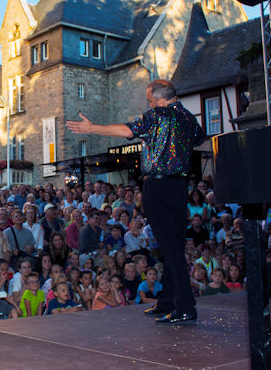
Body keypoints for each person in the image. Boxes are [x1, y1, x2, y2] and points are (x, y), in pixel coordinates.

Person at [67, 79, 203, 324]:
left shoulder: (157, 115)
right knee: (174, 246)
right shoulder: (188, 117)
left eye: (150, 100)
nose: (148, 104)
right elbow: (198, 139)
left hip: (158, 186)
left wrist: (92, 128)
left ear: (161, 100)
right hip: (180, 186)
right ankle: (167, 302)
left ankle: (185, 306)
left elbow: (127, 130)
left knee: (170, 249)